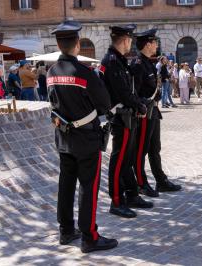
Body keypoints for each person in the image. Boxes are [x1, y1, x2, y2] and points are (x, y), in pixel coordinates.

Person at [47, 20, 117, 253]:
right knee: (88, 186)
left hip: (63, 138)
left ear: (58, 44)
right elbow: (105, 103)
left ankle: (66, 230)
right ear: (77, 44)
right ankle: (90, 236)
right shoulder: (85, 73)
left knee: (66, 184)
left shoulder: (51, 72)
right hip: (86, 139)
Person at [100, 24, 153, 219]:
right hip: (121, 117)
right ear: (124, 40)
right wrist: (139, 105)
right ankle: (116, 200)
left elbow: (128, 90)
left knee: (127, 159)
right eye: (130, 39)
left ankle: (131, 194)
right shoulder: (112, 61)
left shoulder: (119, 60)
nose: (131, 43)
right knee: (119, 160)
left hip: (128, 116)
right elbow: (122, 92)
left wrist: (138, 104)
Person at [132, 29, 182, 198]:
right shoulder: (138, 64)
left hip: (153, 111)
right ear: (147, 44)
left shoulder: (148, 62)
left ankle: (161, 181)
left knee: (155, 148)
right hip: (145, 114)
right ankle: (141, 183)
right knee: (142, 150)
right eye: (154, 42)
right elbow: (135, 93)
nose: (157, 45)